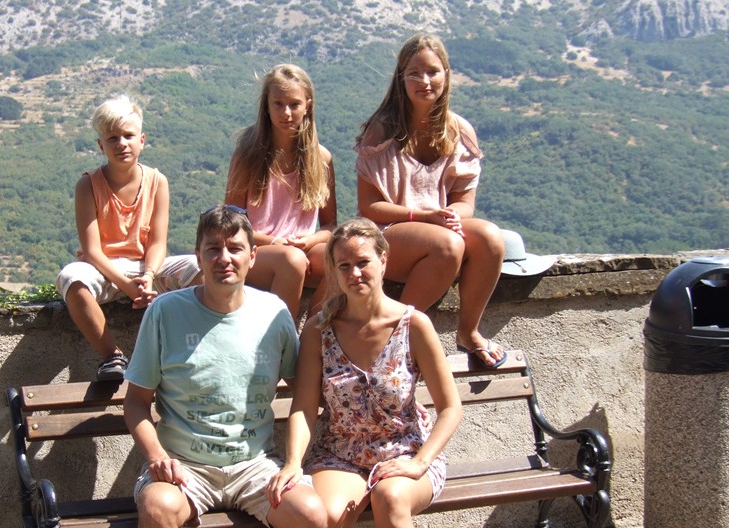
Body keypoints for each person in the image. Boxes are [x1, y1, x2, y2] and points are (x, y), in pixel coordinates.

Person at [123, 205, 329, 528]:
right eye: (213, 248)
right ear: (197, 256)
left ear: (253, 256)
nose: (224, 258)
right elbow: (135, 404)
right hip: (185, 465)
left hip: (255, 464)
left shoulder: (273, 313)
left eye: (235, 248)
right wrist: (155, 456)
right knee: (156, 508)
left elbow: (303, 395)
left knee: (311, 515)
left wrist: (293, 463)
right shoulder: (165, 312)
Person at [266, 218, 463, 528]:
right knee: (324, 515)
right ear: (333, 271)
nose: (354, 273)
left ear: (383, 261)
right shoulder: (320, 329)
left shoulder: (413, 325)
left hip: (407, 450)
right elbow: (304, 407)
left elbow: (450, 407)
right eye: (343, 265)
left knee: (391, 498)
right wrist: (293, 462)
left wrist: (419, 463)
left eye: (363, 262)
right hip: (342, 451)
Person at [356, 33, 508, 368]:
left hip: (437, 227)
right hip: (387, 231)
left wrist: (451, 213)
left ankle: (468, 332)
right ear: (401, 78)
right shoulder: (382, 131)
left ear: (446, 75)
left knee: (491, 238)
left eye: (432, 72)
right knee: (448, 245)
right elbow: (370, 207)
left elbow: (465, 202)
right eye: (415, 73)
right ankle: (396, 336)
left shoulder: (459, 131)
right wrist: (424, 216)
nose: (424, 81)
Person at [57, 94, 201, 382]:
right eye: (112, 138)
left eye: (128, 136)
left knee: (201, 268)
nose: (121, 143)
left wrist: (148, 276)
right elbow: (92, 250)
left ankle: (185, 347)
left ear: (142, 140)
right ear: (101, 145)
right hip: (103, 268)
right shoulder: (88, 185)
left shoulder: (157, 182)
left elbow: (157, 242)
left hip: (146, 268)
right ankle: (112, 356)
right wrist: (126, 285)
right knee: (71, 278)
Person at [226, 64, 337, 319]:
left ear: (308, 106)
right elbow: (231, 222)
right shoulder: (247, 155)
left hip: (302, 248)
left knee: (343, 256)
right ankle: (282, 338)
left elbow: (330, 225)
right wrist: (275, 243)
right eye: (278, 104)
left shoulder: (321, 158)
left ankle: (313, 330)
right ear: (266, 105)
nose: (286, 113)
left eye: (294, 104)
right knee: (292, 260)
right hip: (256, 249)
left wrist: (310, 241)